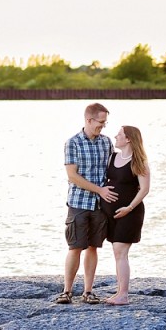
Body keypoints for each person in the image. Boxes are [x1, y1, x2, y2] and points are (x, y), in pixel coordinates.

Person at [57, 103, 116, 304]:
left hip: (100, 206)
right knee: (75, 247)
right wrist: (99, 189)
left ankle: (88, 292)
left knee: (93, 247)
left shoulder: (107, 142)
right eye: (101, 122)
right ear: (89, 120)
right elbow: (72, 176)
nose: (103, 126)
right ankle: (67, 291)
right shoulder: (73, 143)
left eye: (105, 122)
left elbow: (114, 170)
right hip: (78, 203)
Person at [100, 125, 150, 305]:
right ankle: (120, 292)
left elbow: (144, 189)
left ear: (128, 139)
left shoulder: (139, 161)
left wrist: (128, 208)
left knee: (120, 250)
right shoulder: (112, 157)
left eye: (119, 134)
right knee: (117, 252)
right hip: (111, 213)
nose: (116, 136)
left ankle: (123, 295)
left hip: (130, 213)